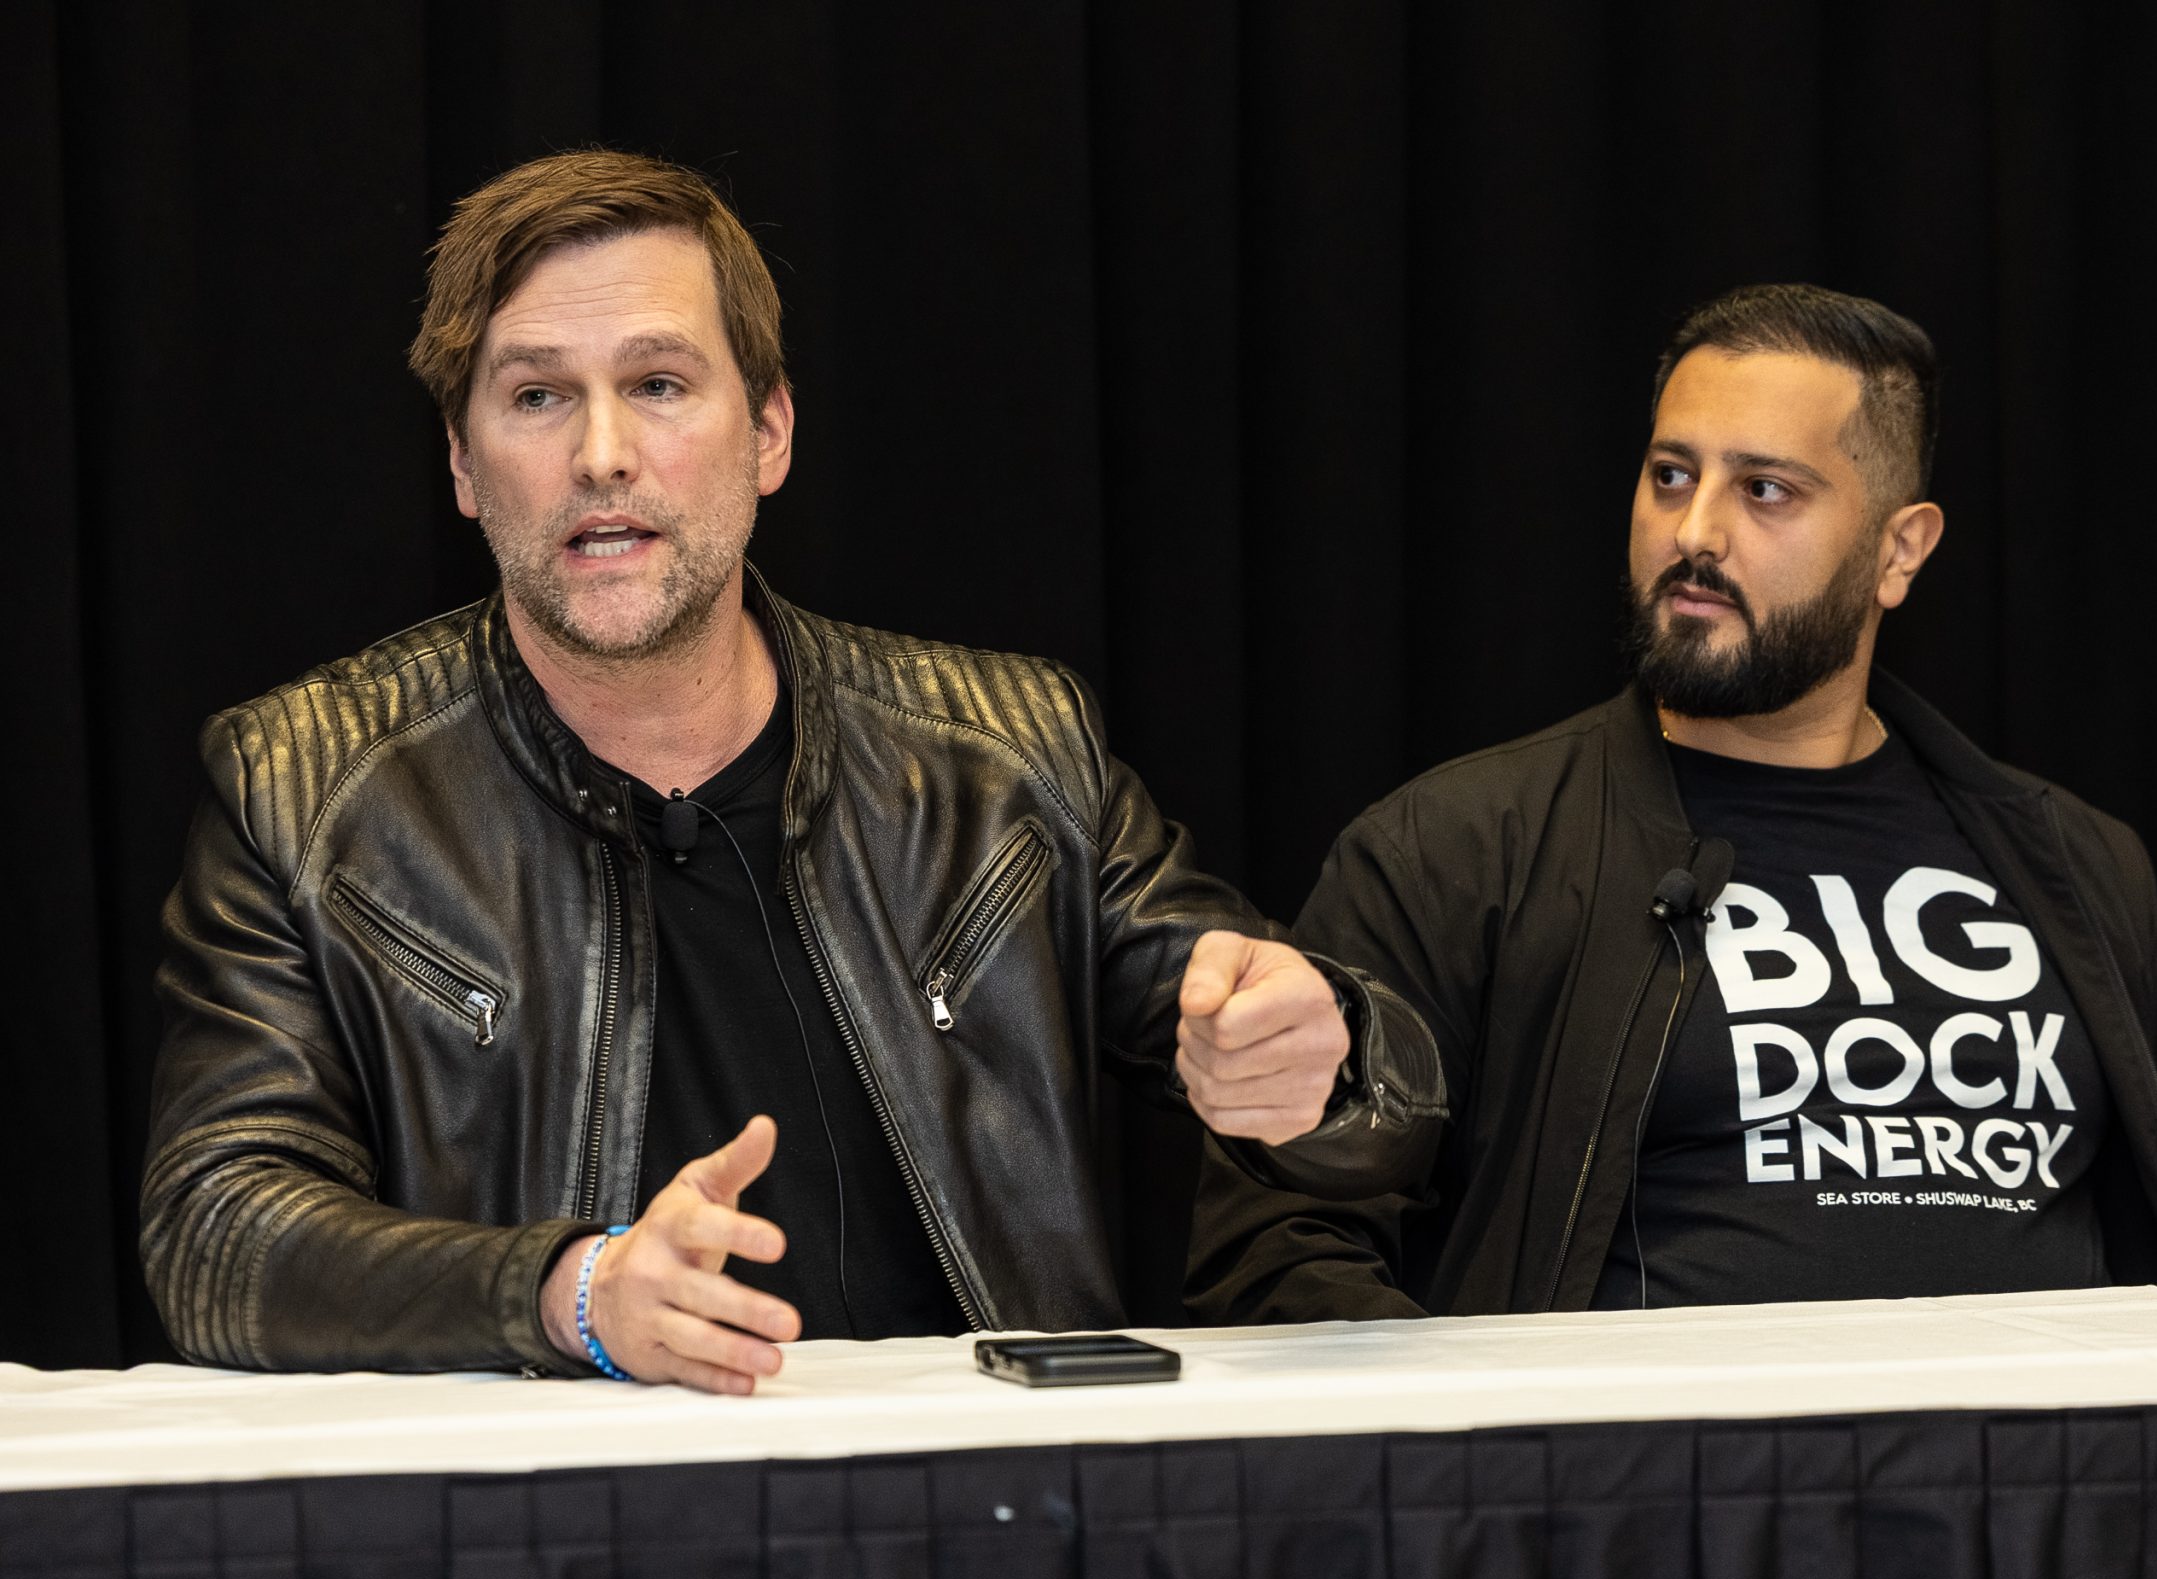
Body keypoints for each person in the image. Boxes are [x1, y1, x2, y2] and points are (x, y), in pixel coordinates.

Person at [144, 149, 1440, 1393]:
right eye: (538, 395)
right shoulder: (305, 790)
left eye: (659, 383)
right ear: (462, 463)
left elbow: (1363, 1093)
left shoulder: (1005, 756)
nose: (602, 454)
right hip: (558, 1516)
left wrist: (1316, 1061)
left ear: (768, 432)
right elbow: (215, 1230)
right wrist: (570, 1291)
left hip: (978, 1497)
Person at [1188, 283, 2157, 1325]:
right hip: (1648, 1477)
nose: (1694, 534)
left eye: (1764, 490)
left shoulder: (2074, 861)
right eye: (1671, 476)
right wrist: (1505, 1445)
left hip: (2041, 1475)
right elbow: (1279, 1244)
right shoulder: (1457, 849)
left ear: (1899, 550)